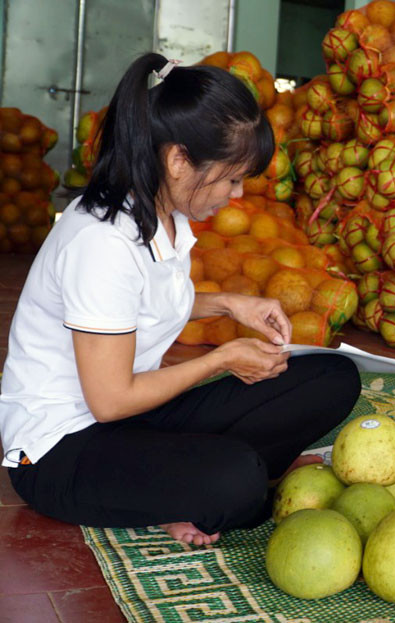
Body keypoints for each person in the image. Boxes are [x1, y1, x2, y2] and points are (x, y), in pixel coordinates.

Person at [0, 53, 361, 546]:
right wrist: (221, 359)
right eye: (231, 178)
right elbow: (109, 401)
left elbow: (140, 306)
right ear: (177, 160)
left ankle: (182, 480)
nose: (236, 195)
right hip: (60, 450)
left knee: (331, 378)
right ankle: (189, 488)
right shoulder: (101, 242)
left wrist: (232, 304)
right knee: (237, 482)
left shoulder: (164, 212)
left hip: (133, 418)